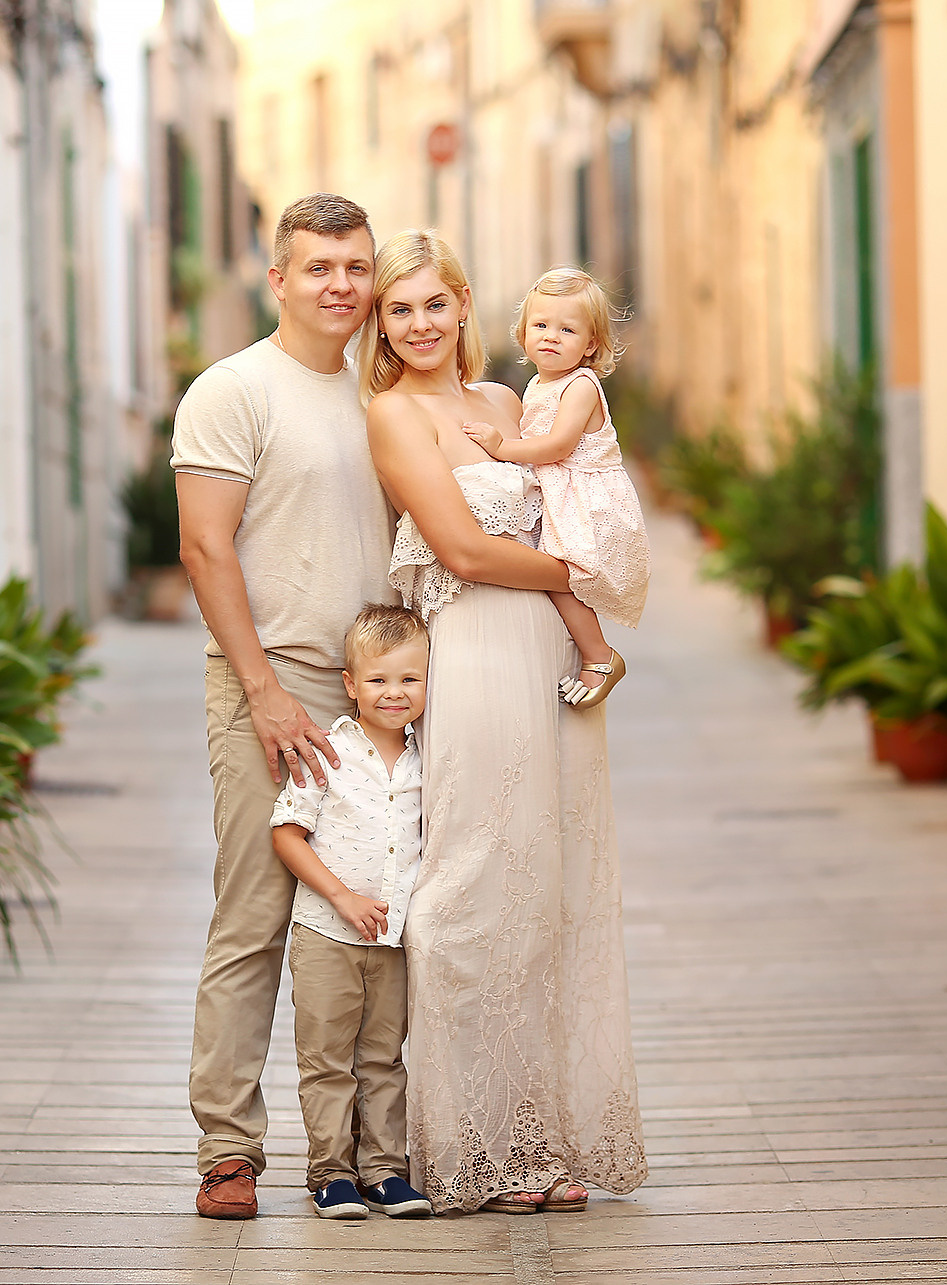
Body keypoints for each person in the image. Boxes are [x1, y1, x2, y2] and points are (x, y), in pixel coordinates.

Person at [363, 230, 647, 1215]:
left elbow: (569, 492)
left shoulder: (504, 402)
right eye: (398, 309)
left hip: (552, 658)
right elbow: (467, 550)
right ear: (382, 324)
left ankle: (534, 1142)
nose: (419, 323)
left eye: (433, 303)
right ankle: (465, 1143)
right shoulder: (392, 415)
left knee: (547, 887)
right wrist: (578, 577)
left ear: (462, 304)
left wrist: (581, 614)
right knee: (466, 887)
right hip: (476, 650)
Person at [173, 194, 397, 1220]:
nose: (339, 285)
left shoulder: (379, 393)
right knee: (256, 922)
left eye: (354, 267)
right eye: (318, 268)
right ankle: (228, 1149)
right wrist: (261, 691)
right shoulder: (231, 391)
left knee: (383, 924)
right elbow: (203, 548)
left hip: (381, 699)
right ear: (278, 279)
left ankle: (369, 1148)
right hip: (274, 689)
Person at [268, 604, 434, 1221]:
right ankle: (331, 1175)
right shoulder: (327, 753)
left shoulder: (430, 760)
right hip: (325, 935)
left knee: (385, 1059)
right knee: (327, 1058)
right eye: (378, 680)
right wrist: (341, 895)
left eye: (409, 680)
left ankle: (387, 1172)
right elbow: (287, 833)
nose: (394, 694)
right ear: (350, 684)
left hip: (394, 940)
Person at [461, 267, 650, 706]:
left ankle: (600, 656)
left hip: (589, 498)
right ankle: (585, 651)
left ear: (591, 344)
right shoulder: (537, 383)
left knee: (560, 573)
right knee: (550, 572)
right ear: (523, 332)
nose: (551, 336)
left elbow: (559, 445)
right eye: (540, 325)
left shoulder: (581, 385)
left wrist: (502, 447)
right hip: (563, 490)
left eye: (567, 329)